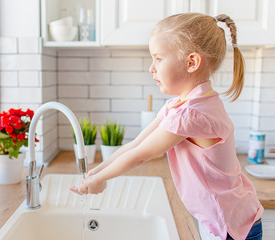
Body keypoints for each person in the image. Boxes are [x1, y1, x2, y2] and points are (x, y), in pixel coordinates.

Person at [70, 13, 263, 240]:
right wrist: (97, 172)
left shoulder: (192, 115)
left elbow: (140, 155)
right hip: (228, 217)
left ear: (192, 62)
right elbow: (136, 144)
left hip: (232, 226)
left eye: (159, 58)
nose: (152, 68)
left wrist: (99, 180)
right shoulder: (181, 106)